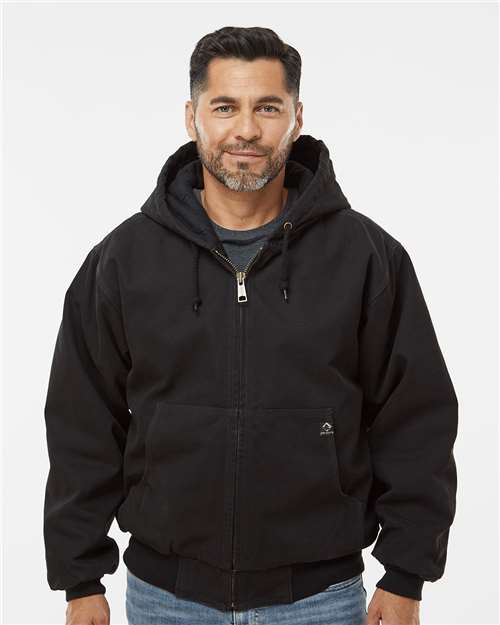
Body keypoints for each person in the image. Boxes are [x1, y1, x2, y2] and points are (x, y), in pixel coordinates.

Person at [43, 26, 458, 625]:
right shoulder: (123, 260)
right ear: (192, 118)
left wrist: (406, 573)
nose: (246, 130)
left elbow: (416, 419)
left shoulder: (367, 257)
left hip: (320, 599)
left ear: (296, 117)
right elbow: (81, 421)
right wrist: (80, 579)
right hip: (165, 599)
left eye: (267, 107)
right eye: (224, 107)